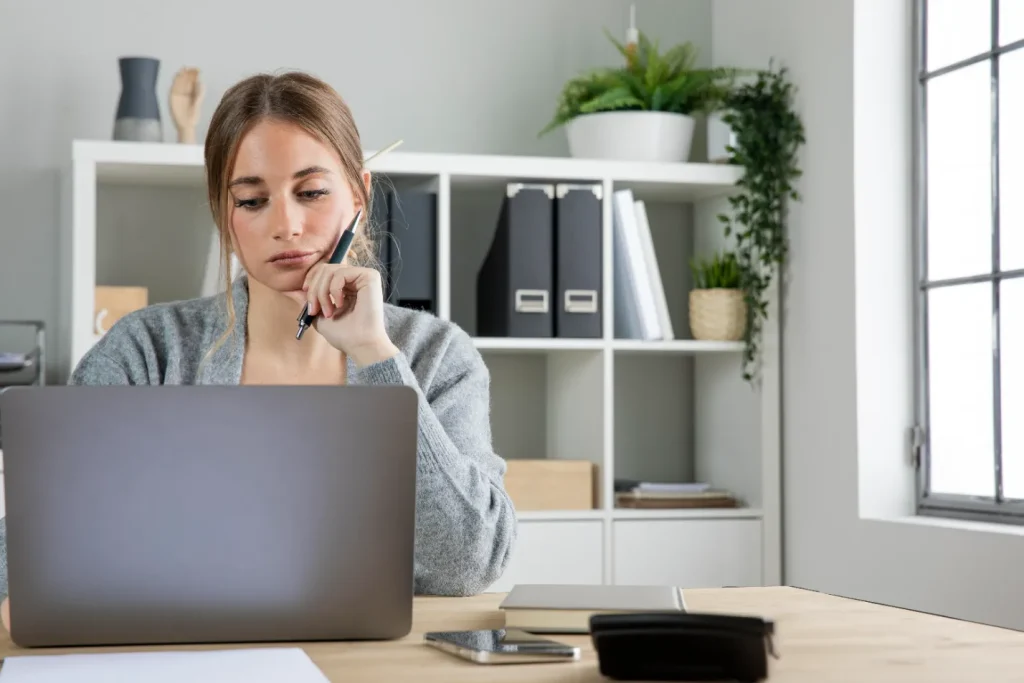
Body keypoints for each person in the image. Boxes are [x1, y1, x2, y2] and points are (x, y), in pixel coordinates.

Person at [0, 71, 518, 628]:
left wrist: (375, 355)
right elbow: (26, 557)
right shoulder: (147, 349)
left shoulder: (436, 356)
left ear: (359, 197)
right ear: (225, 214)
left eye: (312, 193)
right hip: (183, 656)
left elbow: (470, 565)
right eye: (252, 200)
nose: (286, 225)